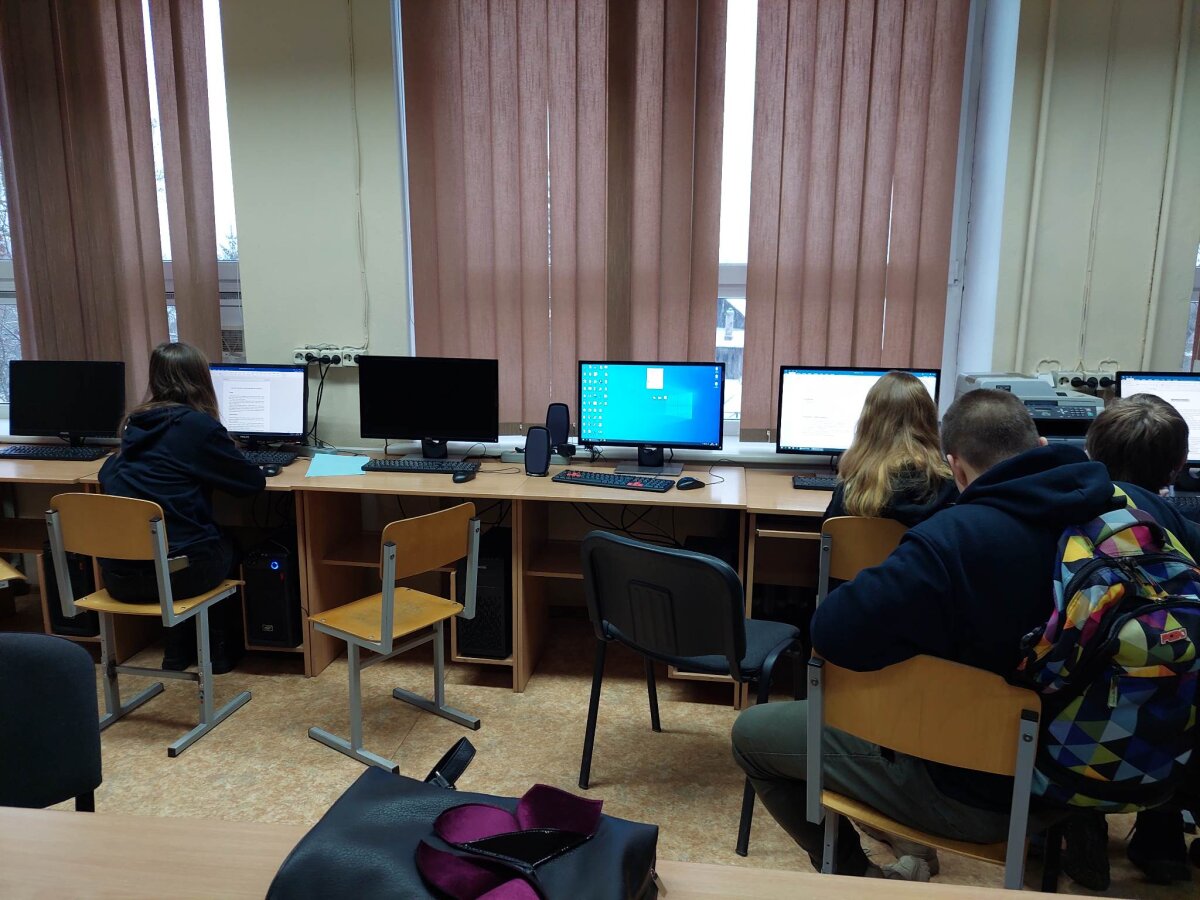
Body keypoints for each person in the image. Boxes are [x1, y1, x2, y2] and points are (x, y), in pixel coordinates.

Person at [731, 388, 1200, 881]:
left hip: (993, 792)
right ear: (1041, 445)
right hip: (1152, 761)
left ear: (955, 468)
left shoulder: (955, 538)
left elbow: (833, 633)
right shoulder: (1143, 511)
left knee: (753, 735)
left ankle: (861, 878)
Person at [1056, 394, 1195, 889]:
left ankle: (1078, 821)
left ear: (1091, 451)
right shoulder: (1185, 531)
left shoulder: (1064, 514)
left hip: (1074, 726)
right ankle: (1161, 843)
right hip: (1169, 723)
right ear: (1178, 466)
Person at [99, 342, 265, 672]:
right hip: (180, 578)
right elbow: (251, 484)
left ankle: (176, 651)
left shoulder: (134, 424)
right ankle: (218, 654)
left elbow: (108, 473)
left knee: (184, 546)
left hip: (120, 577)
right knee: (228, 545)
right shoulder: (197, 426)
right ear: (201, 379)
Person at [822, 371, 957, 526]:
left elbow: (829, 532)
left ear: (869, 423)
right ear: (928, 421)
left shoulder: (852, 488)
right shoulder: (950, 487)